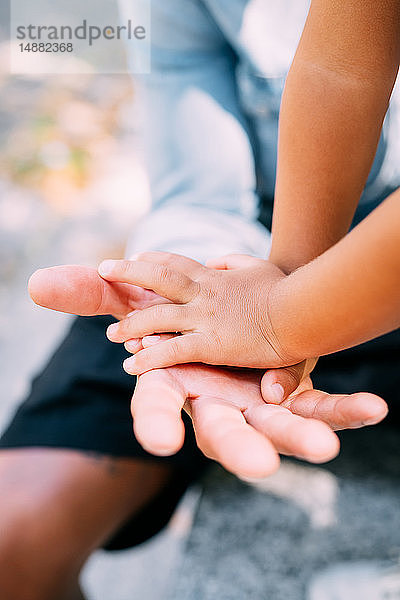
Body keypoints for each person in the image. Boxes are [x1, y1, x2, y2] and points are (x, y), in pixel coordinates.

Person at [0, 2, 398, 599]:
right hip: (247, 264)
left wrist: (280, 318)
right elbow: (341, 70)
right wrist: (271, 282)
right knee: (14, 544)